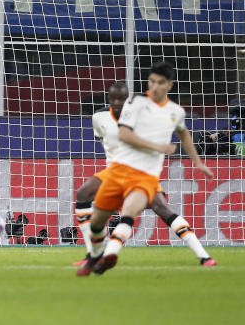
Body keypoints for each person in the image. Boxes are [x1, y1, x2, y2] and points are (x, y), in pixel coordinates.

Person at [76, 61, 214, 276]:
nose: (155, 86)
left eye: (160, 82)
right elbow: (122, 136)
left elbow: (182, 132)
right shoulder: (125, 109)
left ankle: (203, 255)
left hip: (143, 175)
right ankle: (94, 254)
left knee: (144, 212)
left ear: (169, 85)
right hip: (116, 171)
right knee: (94, 215)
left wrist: (197, 161)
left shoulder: (166, 111)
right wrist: (158, 146)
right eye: (151, 82)